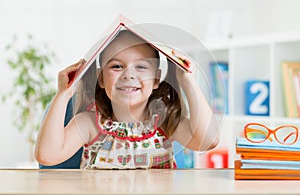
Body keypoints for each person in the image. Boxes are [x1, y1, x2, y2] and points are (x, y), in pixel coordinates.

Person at [35, 30, 220, 169]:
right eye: (117, 66)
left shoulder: (164, 122)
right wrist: (63, 94)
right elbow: (47, 156)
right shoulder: (90, 123)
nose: (128, 75)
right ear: (101, 78)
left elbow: (208, 141)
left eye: (141, 66)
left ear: (156, 79)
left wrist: (187, 80)